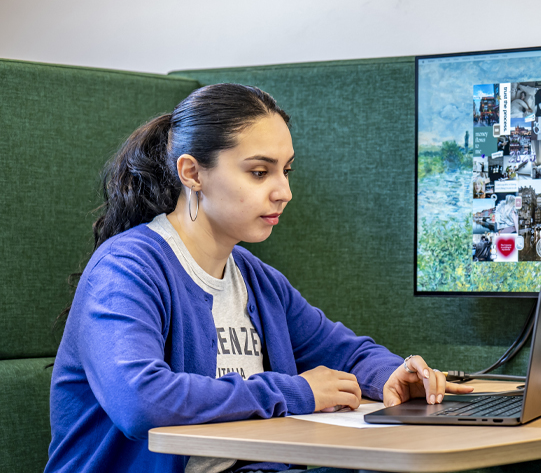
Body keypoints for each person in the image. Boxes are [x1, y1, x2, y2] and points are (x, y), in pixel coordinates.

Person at [45, 84, 472, 473]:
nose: (283, 190)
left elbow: (346, 353)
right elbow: (141, 402)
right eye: (259, 171)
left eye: (286, 170)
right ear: (192, 173)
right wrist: (298, 393)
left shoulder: (255, 278)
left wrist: (393, 374)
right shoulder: (128, 269)